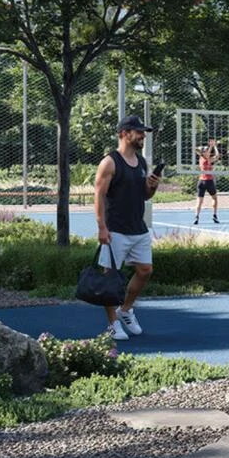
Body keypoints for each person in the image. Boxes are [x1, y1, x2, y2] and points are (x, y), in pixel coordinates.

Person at [94, 116, 163, 342]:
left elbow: (145, 195)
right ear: (124, 133)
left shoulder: (141, 162)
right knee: (110, 278)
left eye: (144, 132)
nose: (143, 136)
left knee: (145, 270)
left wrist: (152, 187)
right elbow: (99, 196)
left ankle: (125, 309)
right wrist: (102, 227)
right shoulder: (109, 162)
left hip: (138, 228)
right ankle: (113, 324)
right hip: (115, 230)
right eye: (139, 132)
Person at [192, 138, 224, 225]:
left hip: (201, 181)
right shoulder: (207, 159)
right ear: (203, 152)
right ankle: (214, 215)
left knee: (201, 200)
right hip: (208, 181)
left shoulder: (203, 159)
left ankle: (197, 216)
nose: (208, 152)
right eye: (206, 151)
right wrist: (213, 146)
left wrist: (212, 146)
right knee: (213, 198)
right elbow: (215, 155)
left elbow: (215, 156)